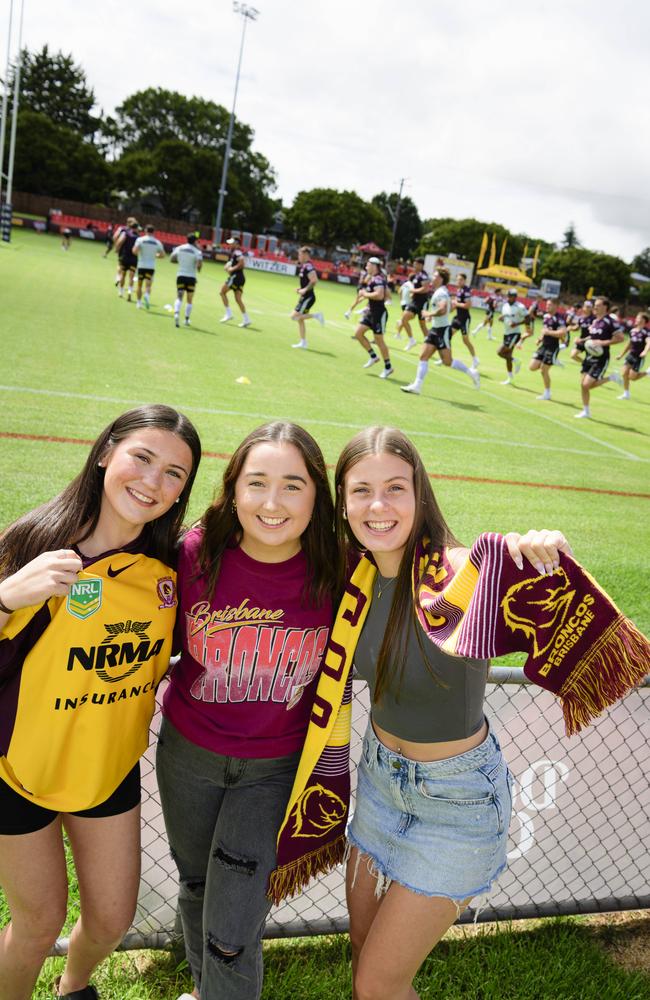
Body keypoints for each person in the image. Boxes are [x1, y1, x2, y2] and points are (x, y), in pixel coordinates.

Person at [0, 404, 201, 1000]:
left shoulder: (172, 568)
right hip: (17, 770)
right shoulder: (35, 543)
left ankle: (74, 986)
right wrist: (7, 597)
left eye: (174, 474)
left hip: (107, 770)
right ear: (106, 452)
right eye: (142, 457)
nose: (152, 481)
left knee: (112, 919)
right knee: (37, 924)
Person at [156, 421, 338, 1000]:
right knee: (197, 885)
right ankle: (206, 990)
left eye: (292, 485)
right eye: (256, 483)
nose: (271, 502)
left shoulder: (341, 571)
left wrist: (506, 549)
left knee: (233, 924)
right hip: (188, 753)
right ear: (233, 489)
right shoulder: (192, 552)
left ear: (317, 496)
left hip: (275, 767)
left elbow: (433, 567)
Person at [401, 266, 480, 395]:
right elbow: (445, 309)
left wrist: (429, 314)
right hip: (435, 330)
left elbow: (442, 309)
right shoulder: (439, 291)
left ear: (441, 279)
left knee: (447, 362)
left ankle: (471, 372)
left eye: (435, 276)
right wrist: (431, 316)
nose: (433, 278)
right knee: (423, 356)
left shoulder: (442, 293)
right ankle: (417, 386)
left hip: (442, 331)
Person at [573, 295, 624, 418]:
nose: (595, 307)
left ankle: (611, 378)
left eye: (598, 305)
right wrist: (582, 340)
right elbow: (593, 337)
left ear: (605, 307)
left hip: (600, 358)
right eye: (595, 305)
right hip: (589, 356)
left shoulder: (610, 322)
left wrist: (602, 343)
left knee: (586, 385)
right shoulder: (595, 321)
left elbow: (620, 338)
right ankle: (586, 411)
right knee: (583, 385)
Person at [353, 257, 394, 379]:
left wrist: (365, 294)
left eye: (368, 265)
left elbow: (379, 295)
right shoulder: (375, 278)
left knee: (379, 341)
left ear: (374, 266)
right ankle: (373, 356)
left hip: (379, 314)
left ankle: (388, 367)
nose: (366, 267)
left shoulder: (378, 279)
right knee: (358, 333)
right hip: (371, 312)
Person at [529, 298, 567, 400]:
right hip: (543, 346)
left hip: (552, 348)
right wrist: (540, 338)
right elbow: (544, 330)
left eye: (549, 305)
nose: (547, 306)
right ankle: (553, 361)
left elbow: (563, 332)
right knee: (532, 367)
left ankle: (547, 393)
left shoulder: (559, 319)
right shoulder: (546, 316)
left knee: (543, 370)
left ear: (555, 306)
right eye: (547, 304)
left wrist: (549, 333)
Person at [290, 246, 324, 349]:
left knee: (294, 317)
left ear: (305, 255)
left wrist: (305, 290)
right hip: (304, 297)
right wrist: (301, 289)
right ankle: (303, 342)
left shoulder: (308, 266)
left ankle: (317, 316)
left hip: (308, 297)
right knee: (300, 320)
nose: (299, 256)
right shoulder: (304, 266)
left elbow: (314, 280)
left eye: (300, 254)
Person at [170, 234, 203, 329]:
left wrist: (181, 262)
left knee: (179, 297)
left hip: (180, 275)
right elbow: (199, 266)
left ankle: (176, 314)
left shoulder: (179, 248)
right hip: (191, 277)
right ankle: (187, 319)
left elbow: (172, 259)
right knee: (189, 299)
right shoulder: (197, 251)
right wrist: (198, 268)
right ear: (195, 241)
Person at [615, 311, 649, 400]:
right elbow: (629, 344)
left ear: (644, 320)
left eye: (638, 318)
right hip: (631, 355)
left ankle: (647, 372)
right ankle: (626, 394)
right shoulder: (632, 331)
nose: (636, 319)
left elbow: (648, 342)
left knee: (632, 377)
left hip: (639, 358)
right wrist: (621, 355)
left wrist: (645, 351)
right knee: (624, 373)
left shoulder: (646, 332)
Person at [497, 288, 528, 384]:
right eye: (509, 296)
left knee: (500, 352)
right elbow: (505, 317)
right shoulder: (505, 305)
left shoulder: (520, 306)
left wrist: (517, 323)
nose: (510, 298)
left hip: (514, 333)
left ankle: (516, 361)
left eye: (512, 296)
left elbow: (528, 319)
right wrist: (501, 318)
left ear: (515, 297)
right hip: (506, 333)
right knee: (507, 355)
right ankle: (510, 378)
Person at [219, 237, 251, 328]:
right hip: (240, 278)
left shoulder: (237, 252)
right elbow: (234, 263)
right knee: (238, 299)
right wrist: (228, 266)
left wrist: (232, 269)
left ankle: (228, 314)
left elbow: (242, 263)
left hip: (236, 277)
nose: (230, 244)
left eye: (232, 243)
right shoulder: (235, 253)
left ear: (236, 244)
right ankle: (246, 319)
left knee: (222, 292)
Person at [450, 272, 479, 370]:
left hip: (464, 319)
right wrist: (451, 308)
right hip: (457, 318)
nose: (459, 281)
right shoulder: (458, 290)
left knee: (465, 340)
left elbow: (468, 305)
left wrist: (455, 303)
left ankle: (475, 360)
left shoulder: (466, 291)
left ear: (465, 281)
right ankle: (446, 357)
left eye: (461, 280)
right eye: (458, 279)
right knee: (448, 336)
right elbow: (456, 304)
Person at [400, 258, 430, 351]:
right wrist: (413, 294)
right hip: (414, 302)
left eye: (416, 264)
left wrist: (413, 291)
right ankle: (411, 340)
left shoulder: (424, 276)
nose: (414, 266)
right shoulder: (416, 276)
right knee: (404, 318)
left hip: (422, 303)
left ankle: (430, 342)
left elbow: (425, 289)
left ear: (421, 265)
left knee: (422, 325)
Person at [133, 224, 165, 310]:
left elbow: (134, 251)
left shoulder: (140, 240)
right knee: (148, 285)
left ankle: (139, 303)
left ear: (145, 231)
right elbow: (162, 255)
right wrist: (155, 255)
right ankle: (147, 295)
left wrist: (141, 252)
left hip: (141, 265)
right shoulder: (157, 242)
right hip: (151, 266)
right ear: (154, 232)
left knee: (139, 285)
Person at [114, 219, 140, 301]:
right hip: (133, 259)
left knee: (123, 274)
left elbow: (119, 241)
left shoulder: (126, 233)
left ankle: (121, 292)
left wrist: (117, 248)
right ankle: (129, 291)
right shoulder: (138, 237)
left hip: (125, 257)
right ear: (136, 228)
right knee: (131, 276)